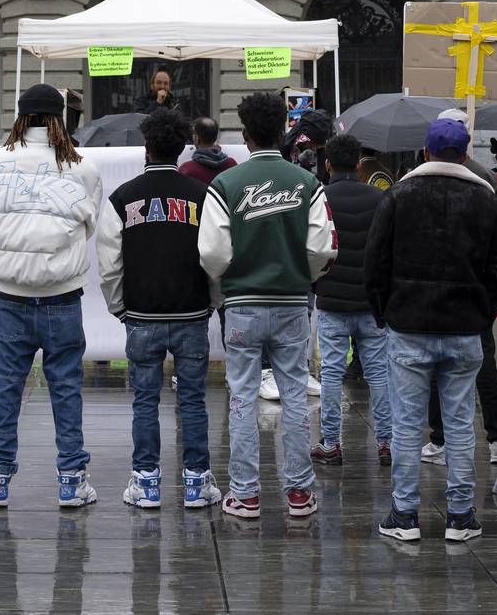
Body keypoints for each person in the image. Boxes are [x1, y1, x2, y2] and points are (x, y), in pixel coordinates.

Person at [365, 118, 497, 542]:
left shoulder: (398, 194)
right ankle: (461, 516)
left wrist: (383, 312)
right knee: (461, 424)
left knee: (408, 424)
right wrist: (485, 311)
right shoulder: (486, 198)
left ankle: (404, 515)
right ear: (465, 154)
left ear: (425, 152)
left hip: (409, 324)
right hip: (465, 327)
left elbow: (376, 262)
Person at [197, 92, 337, 520]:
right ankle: (299, 493)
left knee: (241, 395)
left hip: (241, 303)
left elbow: (212, 254)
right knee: (294, 394)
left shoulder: (225, 184)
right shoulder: (307, 183)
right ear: (283, 131)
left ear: (245, 134)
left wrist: (227, 282)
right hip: (294, 302)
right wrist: (302, 273)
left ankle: (245, 493)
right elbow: (322, 247)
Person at [0, 85, 104, 508]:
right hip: (62, 296)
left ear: (21, 117)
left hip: (10, 297)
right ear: (59, 117)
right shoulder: (83, 167)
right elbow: (89, 225)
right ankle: (71, 480)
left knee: (5, 390)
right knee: (66, 389)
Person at [96, 109, 222, 510]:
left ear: (146, 149)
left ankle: (147, 481)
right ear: (183, 147)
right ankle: (196, 482)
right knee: (193, 399)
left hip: (142, 315)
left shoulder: (123, 197)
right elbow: (216, 255)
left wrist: (120, 307)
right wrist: (213, 300)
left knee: (145, 401)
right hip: (190, 313)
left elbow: (109, 262)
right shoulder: (202, 196)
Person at [311, 133, 391, 467]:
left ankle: (331, 443)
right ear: (359, 164)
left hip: (331, 300)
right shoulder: (379, 198)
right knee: (380, 374)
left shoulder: (319, 198)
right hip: (371, 302)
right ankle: (387, 443)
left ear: (328, 163)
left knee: (330, 373)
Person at [179, 116, 236, 186]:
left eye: (194, 133)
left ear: (197, 138)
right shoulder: (232, 164)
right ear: (215, 137)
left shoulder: (187, 169)